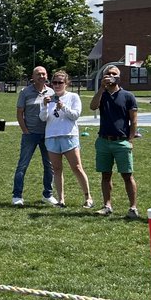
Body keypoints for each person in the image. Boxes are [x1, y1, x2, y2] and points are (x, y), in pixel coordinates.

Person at [89, 64, 139, 219]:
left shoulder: (128, 96)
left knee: (127, 175)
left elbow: (134, 120)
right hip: (104, 141)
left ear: (119, 77)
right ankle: (107, 205)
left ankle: (133, 207)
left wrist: (130, 140)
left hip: (121, 142)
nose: (110, 76)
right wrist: (101, 88)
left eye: (113, 74)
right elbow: (92, 107)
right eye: (107, 74)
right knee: (106, 175)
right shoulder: (102, 94)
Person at [40, 71, 92, 208]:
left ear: (66, 83)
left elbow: (75, 115)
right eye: (54, 82)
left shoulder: (73, 97)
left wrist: (63, 107)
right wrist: (45, 106)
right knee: (56, 169)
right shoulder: (48, 98)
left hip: (69, 136)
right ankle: (61, 199)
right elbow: (43, 118)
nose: (57, 85)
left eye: (60, 83)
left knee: (77, 167)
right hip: (51, 137)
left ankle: (88, 197)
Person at [12, 66, 55, 207]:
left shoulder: (51, 91)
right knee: (23, 165)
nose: (41, 76)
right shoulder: (25, 92)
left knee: (49, 166)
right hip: (30, 134)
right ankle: (17, 196)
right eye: (38, 74)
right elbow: (19, 113)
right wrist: (25, 130)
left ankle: (48, 194)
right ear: (33, 76)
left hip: (47, 134)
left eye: (43, 74)